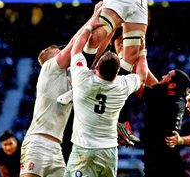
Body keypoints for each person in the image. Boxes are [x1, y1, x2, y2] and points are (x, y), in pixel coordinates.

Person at [20, 6, 104, 177]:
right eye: (58, 52)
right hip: (38, 141)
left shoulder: (69, 76)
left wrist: (109, 29)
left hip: (56, 147)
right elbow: (74, 44)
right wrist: (92, 19)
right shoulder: (49, 68)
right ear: (49, 58)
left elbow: (91, 53)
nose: (63, 53)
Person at [63, 12, 147, 177]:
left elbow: (75, 49)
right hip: (108, 151)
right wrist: (142, 52)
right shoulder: (122, 85)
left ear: (97, 67)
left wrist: (90, 25)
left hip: (83, 150)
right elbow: (142, 77)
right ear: (117, 73)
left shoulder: (83, 79)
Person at [139, 68, 190, 176]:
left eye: (167, 75)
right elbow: (153, 83)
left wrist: (141, 54)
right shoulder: (177, 99)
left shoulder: (161, 100)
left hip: (159, 162)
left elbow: (136, 82)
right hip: (167, 160)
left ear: (172, 85)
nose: (162, 76)